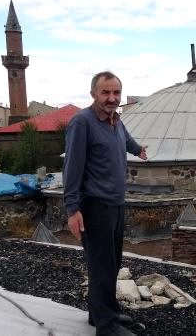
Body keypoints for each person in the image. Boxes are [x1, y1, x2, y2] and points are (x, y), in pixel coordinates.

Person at [63, 71, 147, 336]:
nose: (112, 98)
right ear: (93, 94)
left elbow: (125, 138)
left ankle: (99, 314)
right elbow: (71, 168)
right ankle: (107, 327)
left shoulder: (115, 120)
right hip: (95, 206)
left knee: (111, 263)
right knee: (101, 266)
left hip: (115, 203)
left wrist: (137, 149)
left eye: (116, 93)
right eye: (106, 92)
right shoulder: (82, 123)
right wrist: (73, 210)